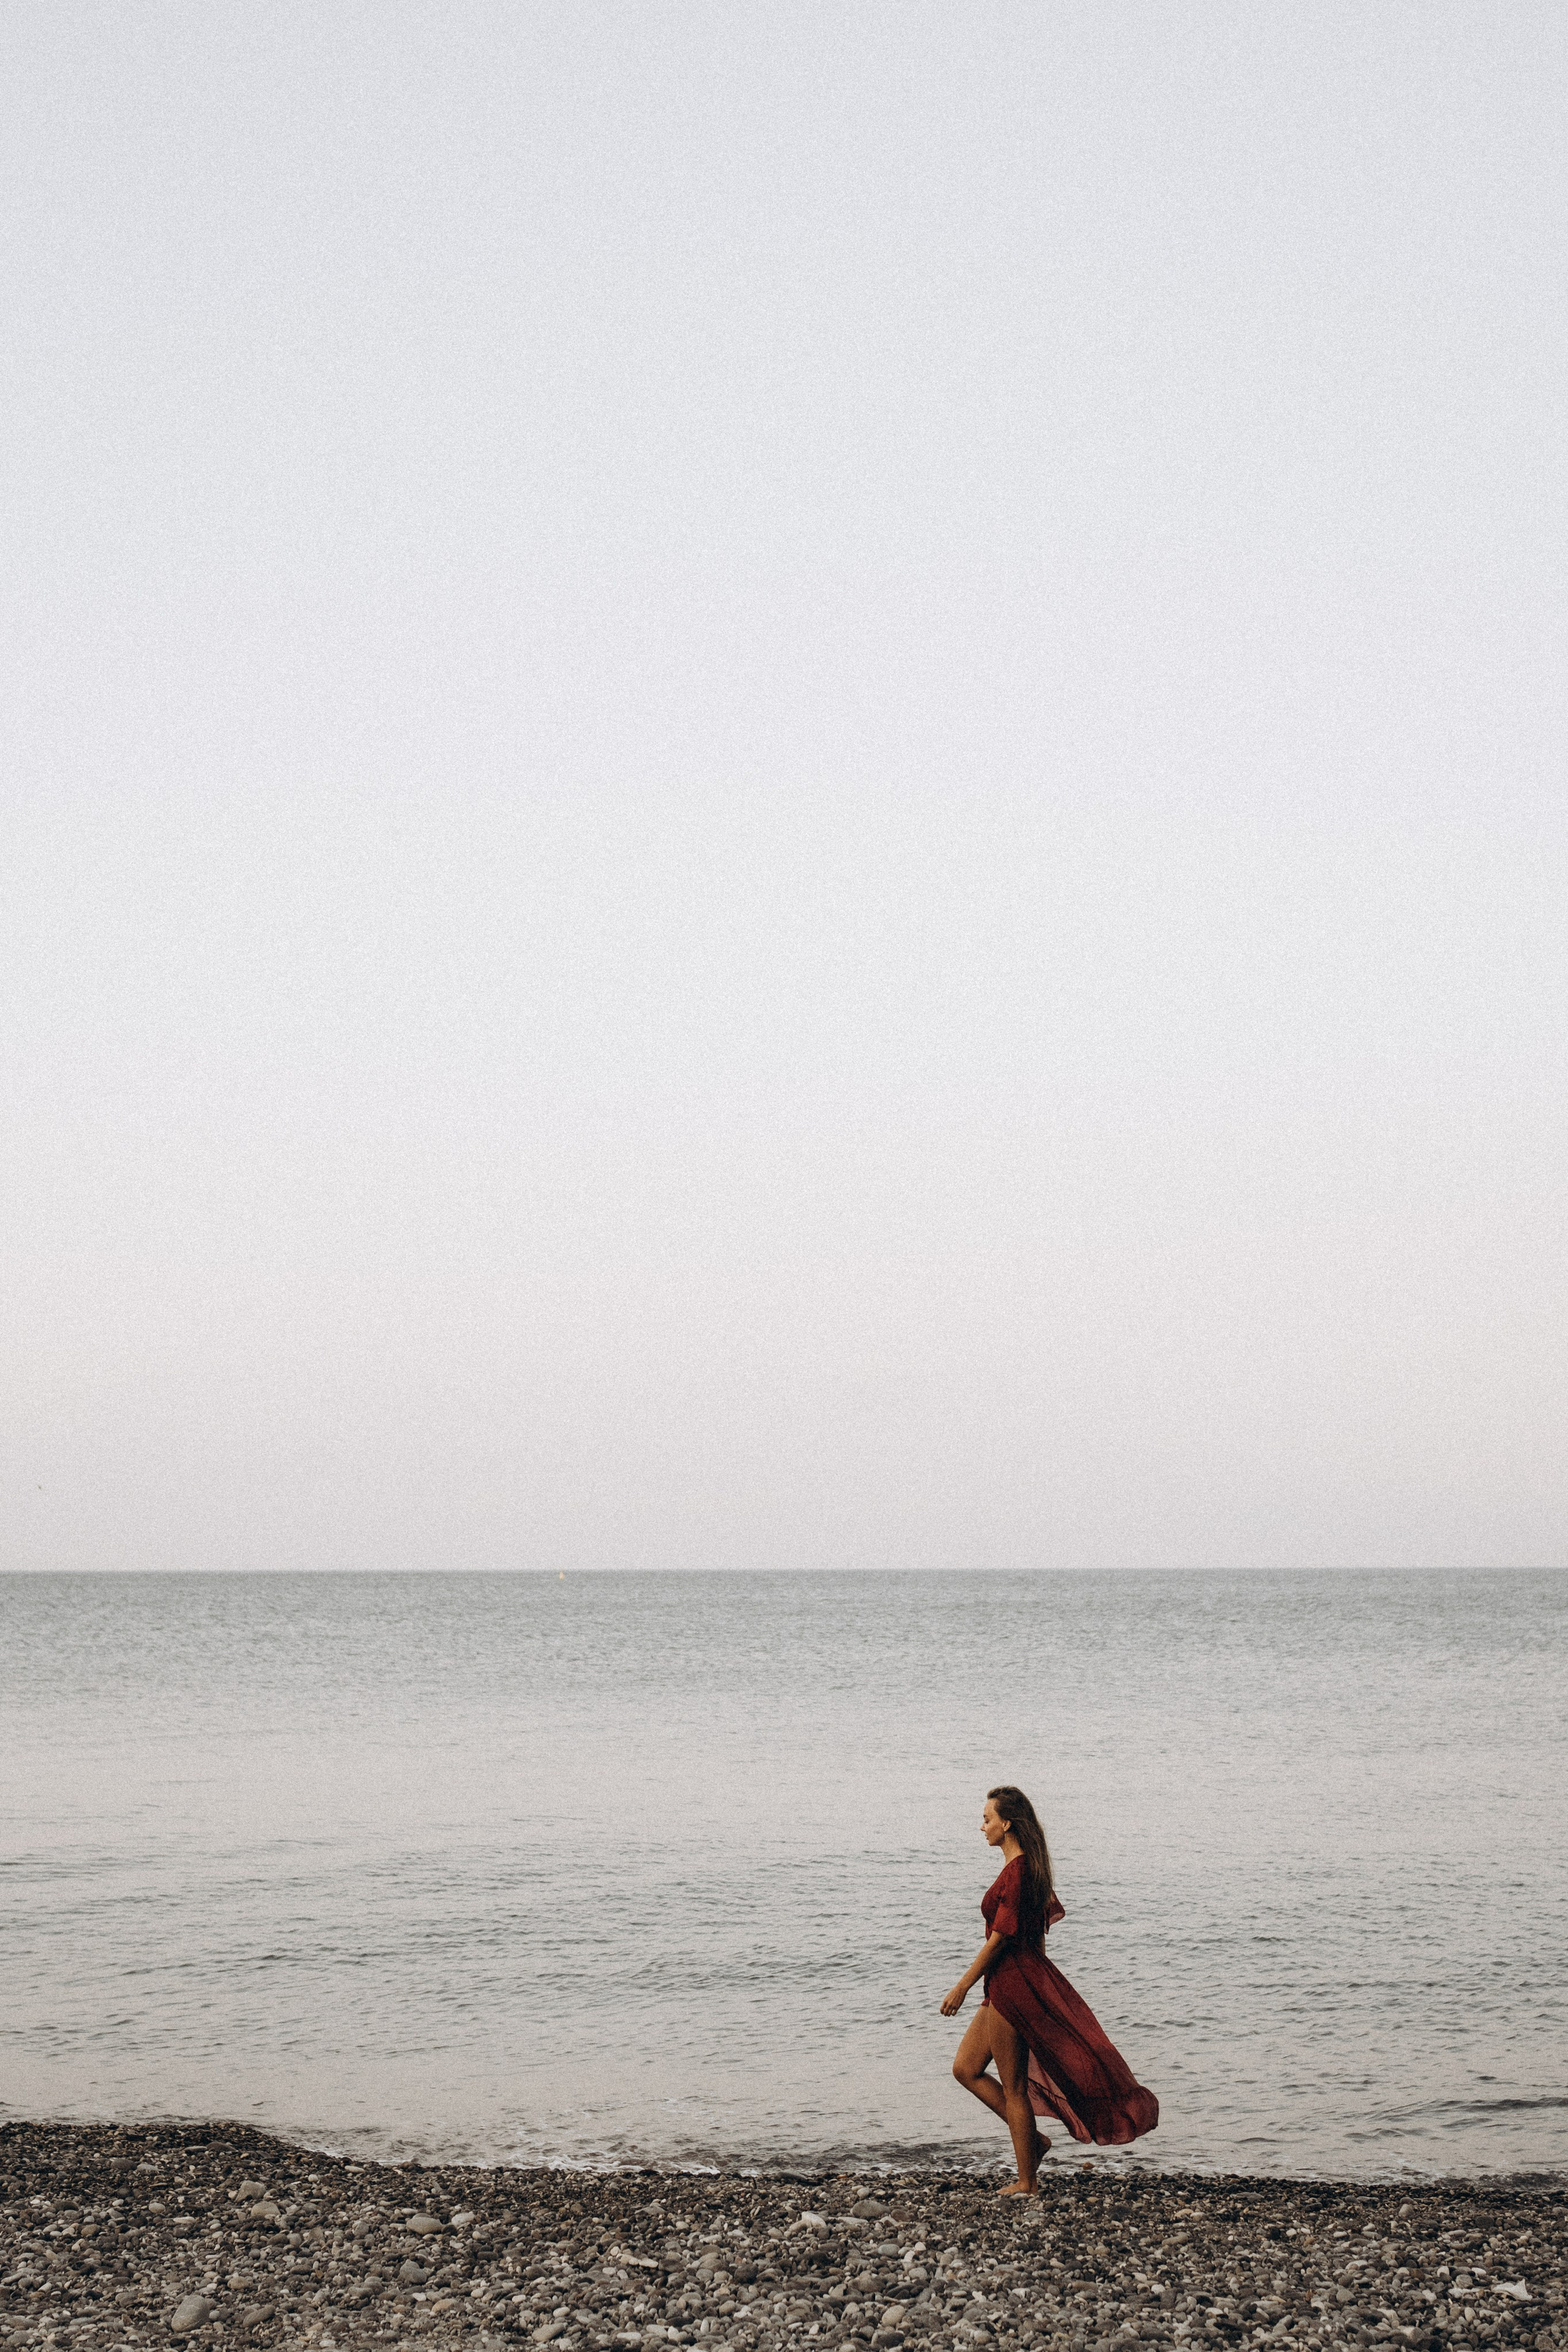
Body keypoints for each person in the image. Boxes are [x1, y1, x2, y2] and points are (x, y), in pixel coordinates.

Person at [941, 1783, 1159, 2196]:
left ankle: (1028, 2182)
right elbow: (1033, 1939)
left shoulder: (1021, 1871)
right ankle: (1034, 2143)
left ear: (1007, 1824)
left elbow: (1002, 1937)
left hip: (1012, 1984)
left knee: (1016, 2086)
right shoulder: (1020, 1870)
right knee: (965, 2069)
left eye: (987, 1819)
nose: (981, 1826)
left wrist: (962, 1987)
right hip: (1007, 1983)